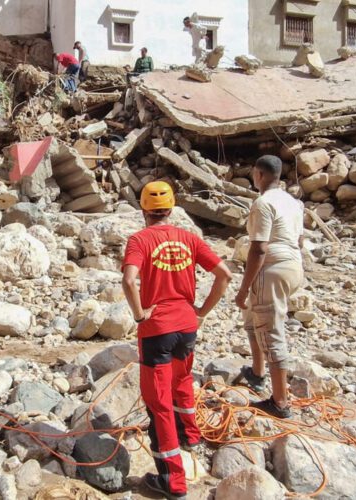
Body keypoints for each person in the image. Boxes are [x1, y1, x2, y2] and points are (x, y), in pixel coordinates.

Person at [122, 181, 232, 500]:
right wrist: (201, 311)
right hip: (186, 325)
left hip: (156, 329)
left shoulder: (140, 239)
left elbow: (129, 280)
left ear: (143, 209)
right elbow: (224, 273)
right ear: (172, 208)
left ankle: (174, 482)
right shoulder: (189, 238)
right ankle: (192, 437)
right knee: (182, 381)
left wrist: (140, 314)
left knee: (158, 404)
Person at [233, 155, 304, 419]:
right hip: (293, 266)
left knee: (270, 330)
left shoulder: (263, 203)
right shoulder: (294, 202)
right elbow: (300, 239)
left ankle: (280, 402)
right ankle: (257, 371)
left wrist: (243, 288)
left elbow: (259, 248)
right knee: (253, 319)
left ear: (259, 174)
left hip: (271, 269)